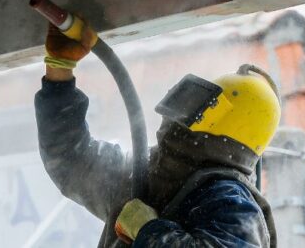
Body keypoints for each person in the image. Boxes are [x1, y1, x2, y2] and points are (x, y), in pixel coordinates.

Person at [34, 20, 279, 248]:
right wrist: (60, 69)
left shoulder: (232, 204)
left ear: (224, 120)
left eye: (200, 100)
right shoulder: (146, 174)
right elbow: (70, 158)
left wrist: (150, 231)